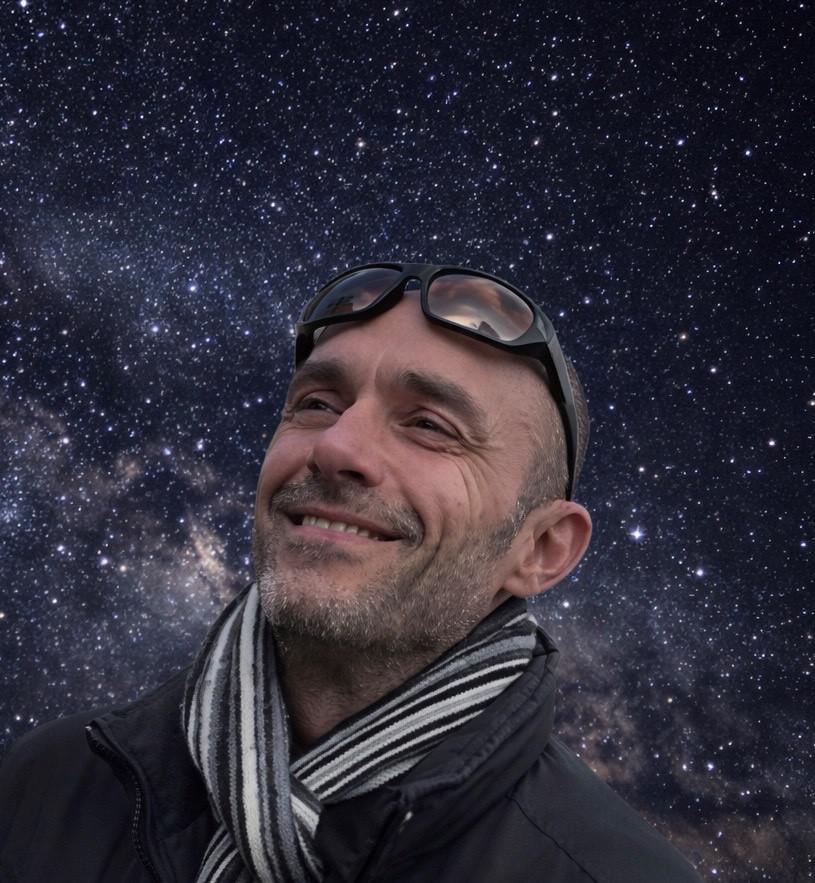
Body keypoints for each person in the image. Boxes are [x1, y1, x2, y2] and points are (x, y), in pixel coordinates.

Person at [0, 263, 703, 882]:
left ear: (541, 549)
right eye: (317, 404)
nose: (337, 447)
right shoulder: (47, 784)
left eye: (429, 425)